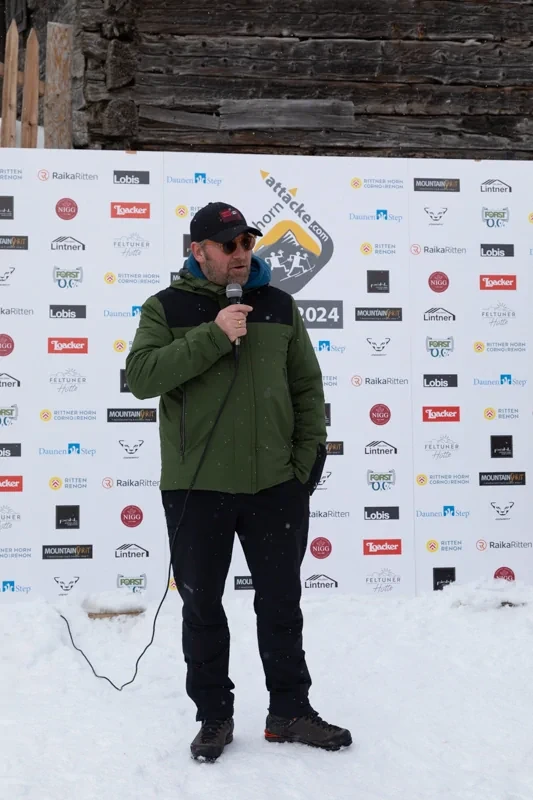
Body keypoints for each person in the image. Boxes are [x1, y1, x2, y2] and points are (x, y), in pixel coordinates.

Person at [125, 202, 352, 761]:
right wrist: (214, 334)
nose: (240, 254)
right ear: (198, 251)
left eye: (247, 243)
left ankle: (289, 711)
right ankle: (214, 717)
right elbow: (142, 377)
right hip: (196, 488)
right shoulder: (166, 307)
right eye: (228, 245)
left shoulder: (279, 306)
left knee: (281, 604)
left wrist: (306, 464)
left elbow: (307, 388)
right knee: (202, 607)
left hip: (275, 487)